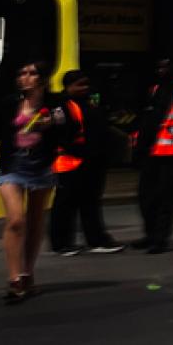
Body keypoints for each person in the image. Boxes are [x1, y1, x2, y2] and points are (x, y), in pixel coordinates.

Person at [0, 59, 74, 303]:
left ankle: (28, 274)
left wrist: (53, 126)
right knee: (16, 220)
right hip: (11, 167)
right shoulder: (8, 105)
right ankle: (14, 279)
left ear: (42, 79)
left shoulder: (56, 104)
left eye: (31, 73)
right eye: (21, 73)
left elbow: (69, 133)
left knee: (35, 223)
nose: (24, 77)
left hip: (41, 168)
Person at [48, 71, 124, 256]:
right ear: (68, 86)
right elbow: (60, 133)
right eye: (79, 85)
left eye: (86, 84)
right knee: (65, 204)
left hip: (93, 160)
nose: (84, 88)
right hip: (71, 161)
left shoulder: (90, 102)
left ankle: (96, 240)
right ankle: (62, 243)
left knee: (90, 203)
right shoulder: (61, 105)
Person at [133, 58, 173, 253]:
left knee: (166, 199)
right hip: (151, 150)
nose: (161, 70)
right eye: (159, 67)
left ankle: (160, 239)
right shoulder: (156, 89)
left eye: (166, 66)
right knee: (146, 197)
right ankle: (150, 235)